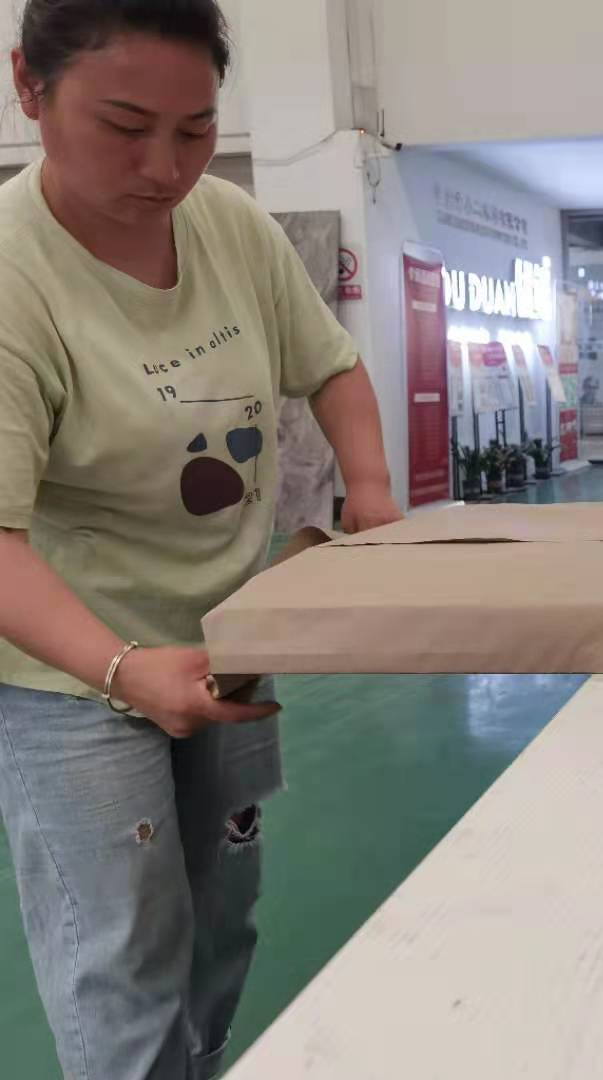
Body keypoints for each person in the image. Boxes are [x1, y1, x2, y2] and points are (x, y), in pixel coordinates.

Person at [0, 1, 403, 1077]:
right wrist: (124, 669)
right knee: (126, 955)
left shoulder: (229, 224)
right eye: (125, 126)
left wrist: (370, 495)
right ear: (28, 86)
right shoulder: (13, 279)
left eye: (195, 129)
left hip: (228, 641)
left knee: (223, 923)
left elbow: (330, 367)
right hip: (71, 674)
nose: (166, 166)